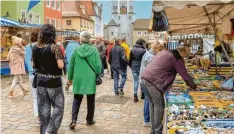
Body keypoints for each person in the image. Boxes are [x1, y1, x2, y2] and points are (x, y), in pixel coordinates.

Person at [141, 45, 197, 134]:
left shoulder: (165, 52)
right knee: (159, 106)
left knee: (153, 105)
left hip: (145, 78)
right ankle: (158, 131)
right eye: (185, 55)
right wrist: (193, 86)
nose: (185, 57)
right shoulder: (176, 58)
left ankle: (153, 130)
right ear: (182, 52)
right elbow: (184, 74)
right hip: (153, 81)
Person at [32, 24, 64, 134]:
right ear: (52, 34)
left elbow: (33, 64)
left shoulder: (35, 47)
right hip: (53, 81)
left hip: (40, 81)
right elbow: (60, 65)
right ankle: (49, 131)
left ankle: (45, 130)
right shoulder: (54, 47)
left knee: (43, 109)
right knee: (58, 107)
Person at [68, 31, 102, 129]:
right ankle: (89, 120)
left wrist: (70, 78)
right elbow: (98, 66)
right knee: (91, 100)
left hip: (78, 77)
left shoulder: (76, 50)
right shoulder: (94, 50)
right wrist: (97, 73)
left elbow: (71, 66)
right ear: (89, 39)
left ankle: (74, 120)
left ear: (80, 39)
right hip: (90, 78)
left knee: (77, 99)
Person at [139, 41, 163, 127]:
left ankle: (147, 119)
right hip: (147, 81)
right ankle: (147, 120)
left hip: (143, 80)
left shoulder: (148, 54)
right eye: (160, 50)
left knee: (147, 100)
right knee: (148, 101)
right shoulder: (151, 56)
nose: (160, 52)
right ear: (156, 49)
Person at [25, 29, 40, 126]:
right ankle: (45, 115)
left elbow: (27, 61)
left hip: (32, 74)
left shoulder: (27, 46)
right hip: (41, 74)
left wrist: (31, 70)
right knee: (44, 96)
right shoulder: (41, 45)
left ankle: (38, 118)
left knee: (35, 96)